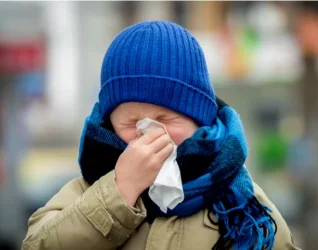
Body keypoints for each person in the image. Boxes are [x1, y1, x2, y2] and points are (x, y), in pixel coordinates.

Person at [22, 21, 299, 250]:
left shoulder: (241, 202)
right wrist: (119, 191)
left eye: (165, 119)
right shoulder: (86, 189)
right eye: (132, 122)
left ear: (198, 121)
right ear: (109, 125)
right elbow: (37, 244)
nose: (149, 132)